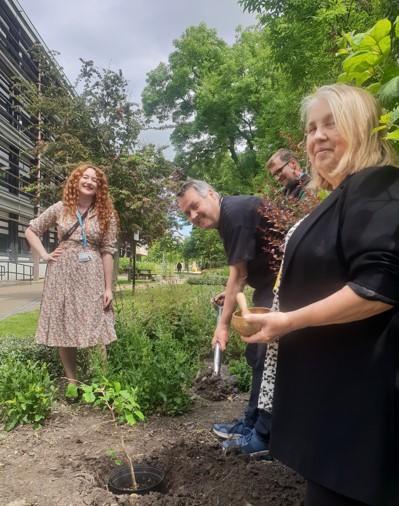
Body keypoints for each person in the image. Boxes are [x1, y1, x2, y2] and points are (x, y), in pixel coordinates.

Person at [241, 84, 399, 505]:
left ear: (363, 128)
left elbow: (379, 287)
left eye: (331, 123)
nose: (316, 137)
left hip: (358, 412)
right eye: (311, 128)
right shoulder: (347, 194)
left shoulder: (377, 186)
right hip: (336, 408)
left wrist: (290, 320)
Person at [177, 180, 276, 456]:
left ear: (211, 194)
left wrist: (222, 325)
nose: (193, 216)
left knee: (267, 355)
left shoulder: (234, 214)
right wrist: (229, 292)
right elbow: (240, 273)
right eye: (187, 214)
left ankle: (264, 436)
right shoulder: (231, 216)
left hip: (286, 283)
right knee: (258, 354)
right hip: (272, 285)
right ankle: (253, 422)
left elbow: (239, 274)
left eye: (195, 206)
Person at [25, 163, 118, 385]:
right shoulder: (61, 208)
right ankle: (72, 382)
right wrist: (45, 255)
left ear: (100, 186)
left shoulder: (107, 214)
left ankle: (102, 383)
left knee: (95, 325)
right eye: (84, 177)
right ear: (76, 181)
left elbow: (108, 251)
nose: (89, 182)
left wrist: (108, 287)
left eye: (94, 180)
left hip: (92, 275)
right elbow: (31, 230)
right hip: (62, 273)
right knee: (64, 326)